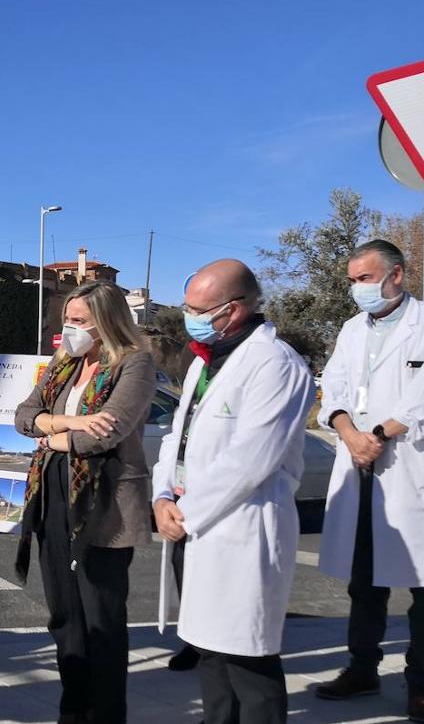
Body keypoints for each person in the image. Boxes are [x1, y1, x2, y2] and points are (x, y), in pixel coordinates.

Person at [151, 259, 313, 724]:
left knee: (248, 657)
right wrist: (163, 495)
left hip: (242, 527)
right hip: (194, 524)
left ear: (235, 309)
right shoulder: (206, 363)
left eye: (200, 309)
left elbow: (251, 459)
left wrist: (186, 511)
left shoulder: (275, 365)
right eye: (187, 307)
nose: (190, 317)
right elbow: (174, 439)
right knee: (208, 649)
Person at [312, 240, 424, 724]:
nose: (358, 289)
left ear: (396, 275)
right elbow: (332, 387)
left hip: (416, 471)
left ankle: (422, 682)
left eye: (365, 278)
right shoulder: (353, 329)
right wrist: (349, 433)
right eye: (353, 280)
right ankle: (362, 668)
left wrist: (376, 436)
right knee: (364, 581)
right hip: (360, 465)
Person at [13, 280, 156, 724]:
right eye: (66, 320)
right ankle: (73, 711)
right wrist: (70, 422)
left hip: (104, 503)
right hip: (52, 494)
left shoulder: (135, 364)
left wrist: (52, 436)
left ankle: (108, 714)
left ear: (107, 323)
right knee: (64, 615)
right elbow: (22, 416)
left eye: (79, 322)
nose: (69, 329)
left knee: (102, 618)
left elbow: (108, 432)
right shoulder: (64, 362)